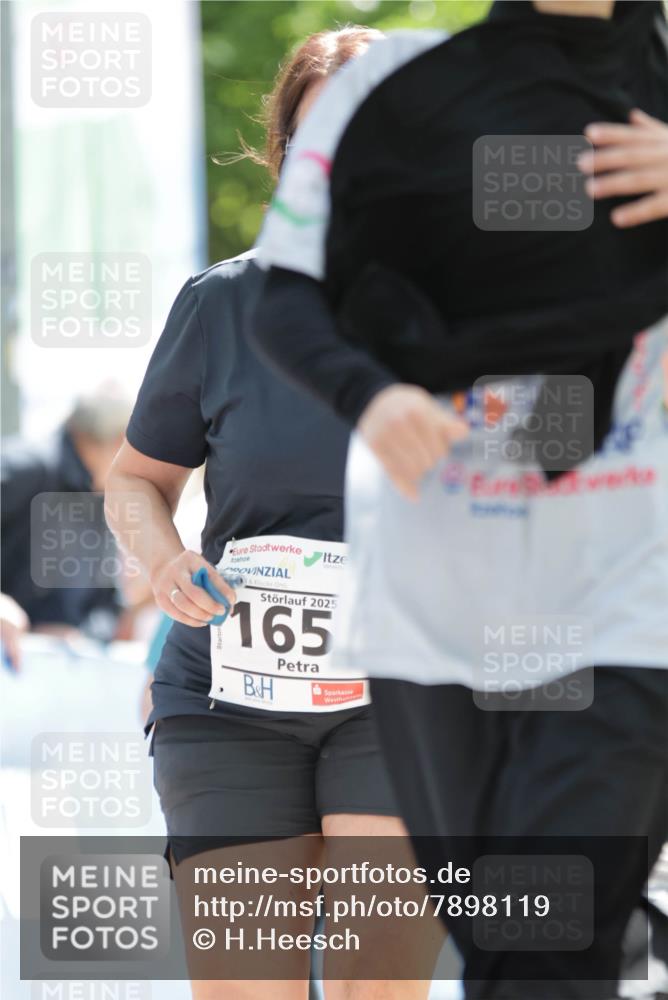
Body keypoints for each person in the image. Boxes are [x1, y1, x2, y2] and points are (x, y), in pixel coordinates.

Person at [251, 1, 668, 996]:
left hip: (625, 595)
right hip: (433, 604)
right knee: (503, 943)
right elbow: (282, 297)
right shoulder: (383, 88)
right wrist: (371, 394)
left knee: (551, 936)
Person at [105, 28, 442, 1000]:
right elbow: (135, 481)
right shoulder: (220, 306)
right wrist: (164, 561)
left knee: (379, 982)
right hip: (226, 701)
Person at [1, 383, 132, 669]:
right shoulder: (28, 465)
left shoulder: (102, 498)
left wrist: (80, 635)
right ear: (122, 441)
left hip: (46, 676)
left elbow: (105, 604)